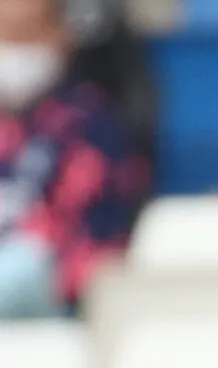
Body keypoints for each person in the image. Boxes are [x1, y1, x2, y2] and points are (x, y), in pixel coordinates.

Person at [0, 0, 147, 318]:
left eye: (24, 34)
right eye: (3, 33)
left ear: (61, 37)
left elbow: (95, 247)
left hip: (50, 305)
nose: (11, 48)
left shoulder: (90, 125)